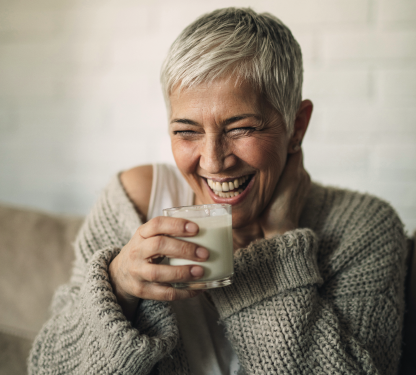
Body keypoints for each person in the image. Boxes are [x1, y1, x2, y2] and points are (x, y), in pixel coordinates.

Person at [28, 7, 408, 375]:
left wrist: (279, 247)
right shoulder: (136, 200)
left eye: (241, 128)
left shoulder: (364, 229)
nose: (212, 161)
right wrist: (119, 287)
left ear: (297, 126)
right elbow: (49, 369)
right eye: (186, 131)